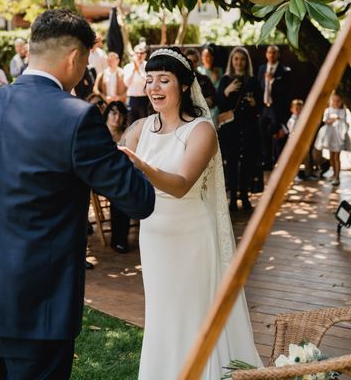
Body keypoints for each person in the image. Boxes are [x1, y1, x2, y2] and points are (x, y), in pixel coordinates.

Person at [0, 9, 155, 379]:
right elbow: (139, 200)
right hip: (39, 301)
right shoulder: (78, 118)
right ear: (74, 57)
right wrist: (127, 159)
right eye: (85, 61)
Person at [120, 47, 261, 379]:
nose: (154, 88)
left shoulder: (201, 130)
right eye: (149, 80)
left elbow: (182, 184)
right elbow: (116, 161)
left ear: (183, 85)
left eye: (163, 80)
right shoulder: (140, 128)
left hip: (191, 236)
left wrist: (142, 165)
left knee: (192, 312)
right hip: (154, 236)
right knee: (162, 314)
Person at [216, 47, 263, 211]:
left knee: (247, 162)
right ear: (231, 61)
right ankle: (233, 197)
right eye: (236, 59)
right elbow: (219, 106)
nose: (239, 62)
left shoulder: (252, 81)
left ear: (246, 61)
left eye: (242, 59)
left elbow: (261, 107)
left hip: (248, 128)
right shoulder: (225, 80)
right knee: (231, 163)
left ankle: (245, 196)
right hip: (230, 129)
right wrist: (226, 92)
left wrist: (254, 104)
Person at [103, 101, 132, 252]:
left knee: (123, 190)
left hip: (121, 178)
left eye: (121, 114)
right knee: (121, 190)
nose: (117, 117)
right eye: (113, 113)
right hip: (100, 178)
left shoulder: (128, 133)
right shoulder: (99, 133)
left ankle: (120, 239)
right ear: (107, 114)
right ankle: (119, 239)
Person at [257, 45, 290, 169]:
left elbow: (286, 92)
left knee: (274, 134)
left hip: (276, 109)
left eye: (274, 53)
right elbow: (259, 88)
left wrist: (272, 81)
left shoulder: (284, 70)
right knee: (262, 134)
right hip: (264, 107)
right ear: (266, 54)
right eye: (269, 52)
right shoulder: (262, 69)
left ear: (278, 55)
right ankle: (266, 162)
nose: (271, 55)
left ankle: (276, 161)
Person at [314, 92, 351, 186]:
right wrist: (331, 120)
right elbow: (326, 121)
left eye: (338, 101)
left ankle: (337, 176)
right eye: (334, 101)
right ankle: (334, 174)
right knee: (331, 157)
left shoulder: (343, 111)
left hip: (339, 137)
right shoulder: (328, 110)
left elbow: (344, 123)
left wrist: (337, 119)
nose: (336, 103)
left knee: (336, 157)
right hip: (330, 137)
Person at [123, 43, 150, 123]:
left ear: (145, 54)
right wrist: (134, 70)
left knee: (144, 124)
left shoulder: (148, 66)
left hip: (144, 99)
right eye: (137, 53)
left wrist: (138, 70)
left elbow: (147, 82)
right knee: (131, 124)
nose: (139, 55)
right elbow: (126, 83)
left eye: (141, 53)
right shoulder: (128, 67)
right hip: (131, 99)